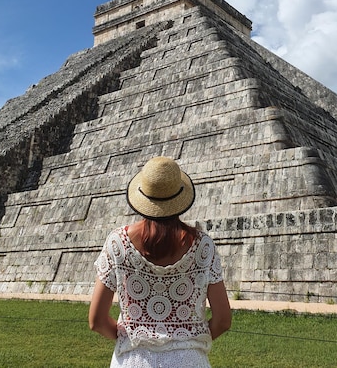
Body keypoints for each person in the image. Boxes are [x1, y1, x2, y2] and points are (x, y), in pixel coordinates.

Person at [89, 156, 232, 367]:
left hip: (134, 360)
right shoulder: (203, 246)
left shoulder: (118, 243)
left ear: (143, 195)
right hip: (189, 360)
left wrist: (130, 338)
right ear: (179, 195)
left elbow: (97, 321)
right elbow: (222, 320)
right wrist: (188, 341)